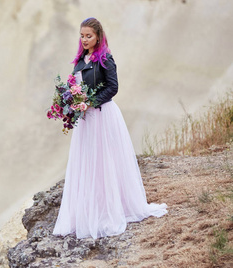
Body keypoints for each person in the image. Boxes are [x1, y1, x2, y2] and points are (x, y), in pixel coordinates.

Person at [52, 17, 167, 239]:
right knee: (88, 162)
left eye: (89, 36)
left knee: (105, 161)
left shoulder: (105, 59)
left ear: (98, 37)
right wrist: (69, 102)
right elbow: (77, 86)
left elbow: (113, 87)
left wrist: (90, 103)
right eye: (82, 35)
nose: (84, 39)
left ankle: (110, 208)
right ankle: (88, 209)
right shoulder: (79, 59)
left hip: (103, 117)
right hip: (86, 121)